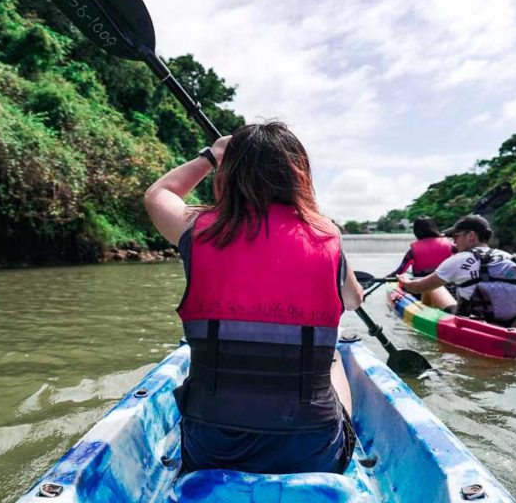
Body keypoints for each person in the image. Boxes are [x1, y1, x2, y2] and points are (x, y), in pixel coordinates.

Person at [144, 122, 364, 475]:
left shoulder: (197, 229)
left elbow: (159, 194)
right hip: (311, 451)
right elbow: (353, 300)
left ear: (228, 172)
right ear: (299, 176)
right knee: (334, 356)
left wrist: (209, 156)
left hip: (212, 447)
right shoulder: (327, 236)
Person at [398, 214, 516, 325]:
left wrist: (405, 281)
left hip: (472, 321)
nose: (453, 242)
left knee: (435, 288)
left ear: (471, 235)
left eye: (456, 236)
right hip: (509, 320)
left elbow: (418, 287)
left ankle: (426, 317)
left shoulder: (457, 260)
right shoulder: (510, 258)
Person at [393, 217, 455, 307]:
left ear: (416, 232)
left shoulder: (413, 251)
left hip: (420, 289)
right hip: (449, 288)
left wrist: (387, 278)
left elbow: (400, 271)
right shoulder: (451, 246)